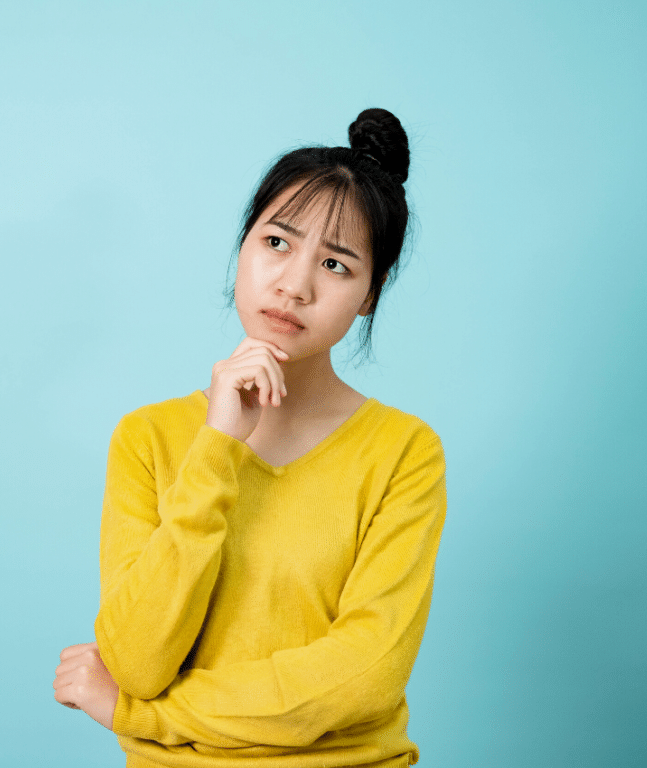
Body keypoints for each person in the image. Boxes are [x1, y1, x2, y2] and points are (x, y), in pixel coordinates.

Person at [53, 108, 447, 768]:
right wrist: (216, 449)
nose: (294, 284)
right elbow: (137, 658)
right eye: (276, 243)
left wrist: (141, 716)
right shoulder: (149, 438)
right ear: (243, 246)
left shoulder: (404, 453)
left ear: (371, 294)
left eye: (336, 264)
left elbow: (363, 677)